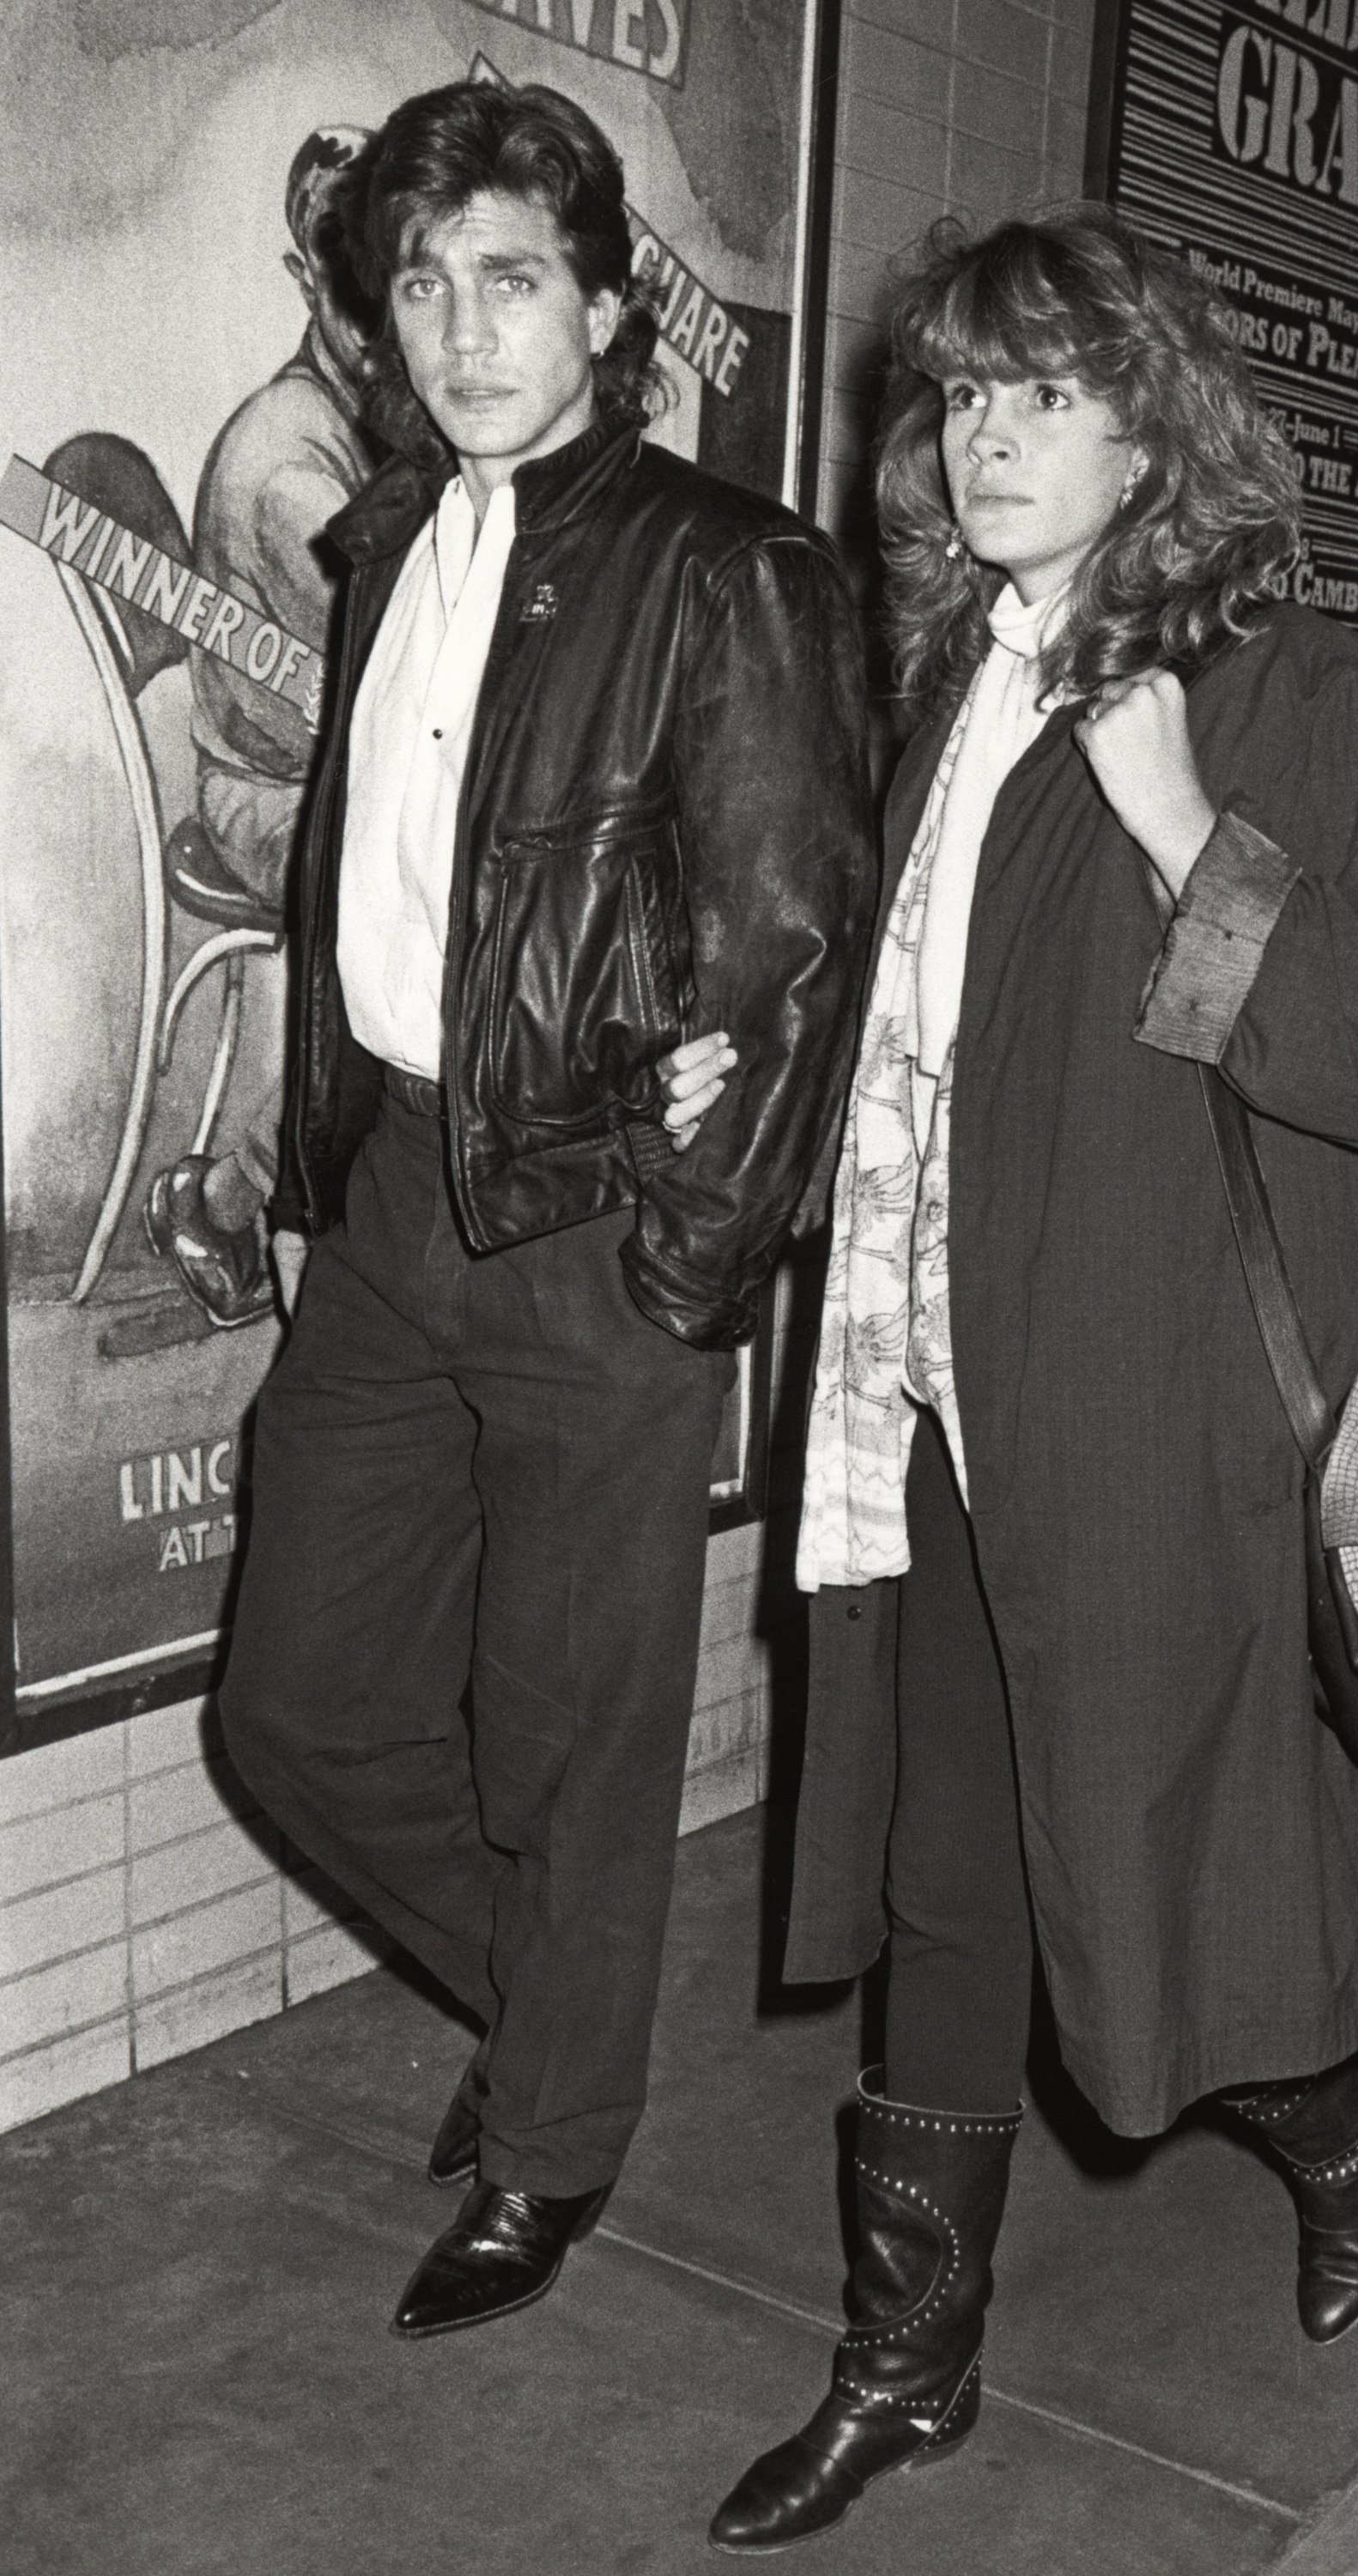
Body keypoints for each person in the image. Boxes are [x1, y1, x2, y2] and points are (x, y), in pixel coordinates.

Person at [690, 208, 1358, 2553]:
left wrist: (1181, 836)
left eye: (1046, 391)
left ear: (1153, 425)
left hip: (1164, 1443)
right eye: (961, 395)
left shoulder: (1288, 697)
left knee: (1169, 1910)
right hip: (939, 1413)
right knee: (959, 1894)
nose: (990, 436)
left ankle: (1329, 2113)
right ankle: (900, 2369)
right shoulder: (943, 682)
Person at [218, 80, 872, 2342]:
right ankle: (555, 2011)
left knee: (567, 1728)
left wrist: (678, 1259)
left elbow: (788, 962)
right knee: (293, 1702)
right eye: (421, 282)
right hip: (406, 1184)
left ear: (605, 302)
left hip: (599, 1221)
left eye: (510, 275)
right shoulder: (390, 534)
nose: (462, 324)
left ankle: (555, 2145)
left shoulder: (725, 568)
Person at [145, 126, 379, 1329]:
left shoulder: (359, 420)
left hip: (324, 777)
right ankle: (232, 1203)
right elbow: (404, 688)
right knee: (416, 922)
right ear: (304, 280)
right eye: (352, 278)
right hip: (268, 798)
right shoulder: (293, 468)